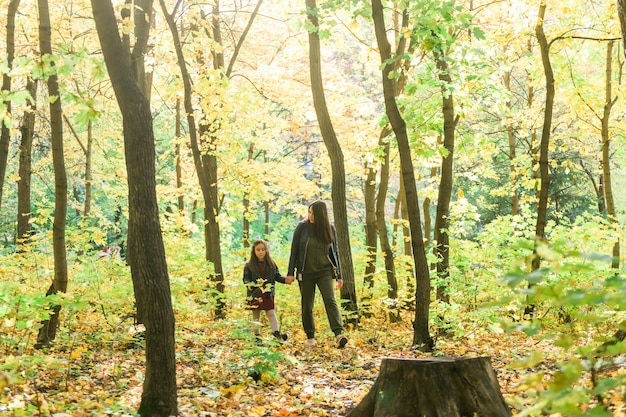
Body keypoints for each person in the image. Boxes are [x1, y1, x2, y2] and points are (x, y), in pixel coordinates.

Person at [286, 200, 348, 348]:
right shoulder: (302, 227)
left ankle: (339, 334)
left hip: (324, 271)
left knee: (330, 300)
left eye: (313, 213)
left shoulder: (329, 228)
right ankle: (310, 337)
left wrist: (339, 275)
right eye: (309, 212)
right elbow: (294, 250)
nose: (310, 215)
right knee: (307, 305)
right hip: (305, 272)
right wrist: (290, 272)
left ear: (321, 214)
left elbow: (335, 253)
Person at [243, 239, 290, 342]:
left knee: (271, 313)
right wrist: (248, 284)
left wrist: (285, 280)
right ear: (254, 251)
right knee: (256, 314)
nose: (261, 252)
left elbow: (277, 276)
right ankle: (257, 336)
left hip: (268, 292)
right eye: (258, 250)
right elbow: (246, 278)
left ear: (266, 250)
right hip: (255, 293)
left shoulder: (271, 264)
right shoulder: (249, 264)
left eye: (263, 249)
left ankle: (276, 334)